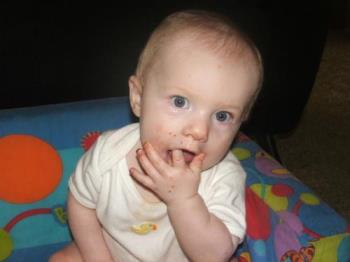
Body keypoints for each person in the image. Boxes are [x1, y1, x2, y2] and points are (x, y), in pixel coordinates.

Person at [50, 9, 263, 262]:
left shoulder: (223, 178)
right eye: (180, 101)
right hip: (111, 252)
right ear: (138, 98)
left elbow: (214, 256)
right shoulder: (109, 153)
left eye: (222, 116)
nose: (199, 131)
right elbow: (81, 202)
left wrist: (184, 200)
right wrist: (99, 257)